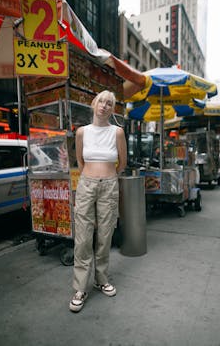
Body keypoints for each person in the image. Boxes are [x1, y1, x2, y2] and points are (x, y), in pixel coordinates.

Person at [69, 90, 127, 313]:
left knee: (105, 234)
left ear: (113, 109)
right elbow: (80, 161)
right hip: (86, 184)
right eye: (101, 101)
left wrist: (108, 176)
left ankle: (101, 279)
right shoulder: (82, 132)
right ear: (94, 104)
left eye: (109, 103)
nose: (104, 106)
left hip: (110, 184)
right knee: (83, 236)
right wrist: (90, 177)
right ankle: (80, 288)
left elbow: (122, 162)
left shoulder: (117, 132)